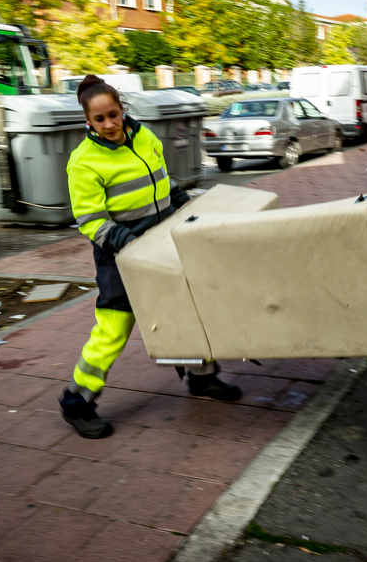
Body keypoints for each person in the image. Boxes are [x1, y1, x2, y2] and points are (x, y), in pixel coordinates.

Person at [59, 75, 242, 439]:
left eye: (114, 114)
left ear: (122, 108)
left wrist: (182, 205)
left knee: (187, 309)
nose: (110, 124)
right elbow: (90, 222)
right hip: (120, 255)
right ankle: (77, 402)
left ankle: (203, 379)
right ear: (88, 121)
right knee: (113, 329)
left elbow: (161, 178)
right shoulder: (83, 162)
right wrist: (128, 242)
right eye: (100, 119)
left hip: (163, 240)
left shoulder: (144, 136)